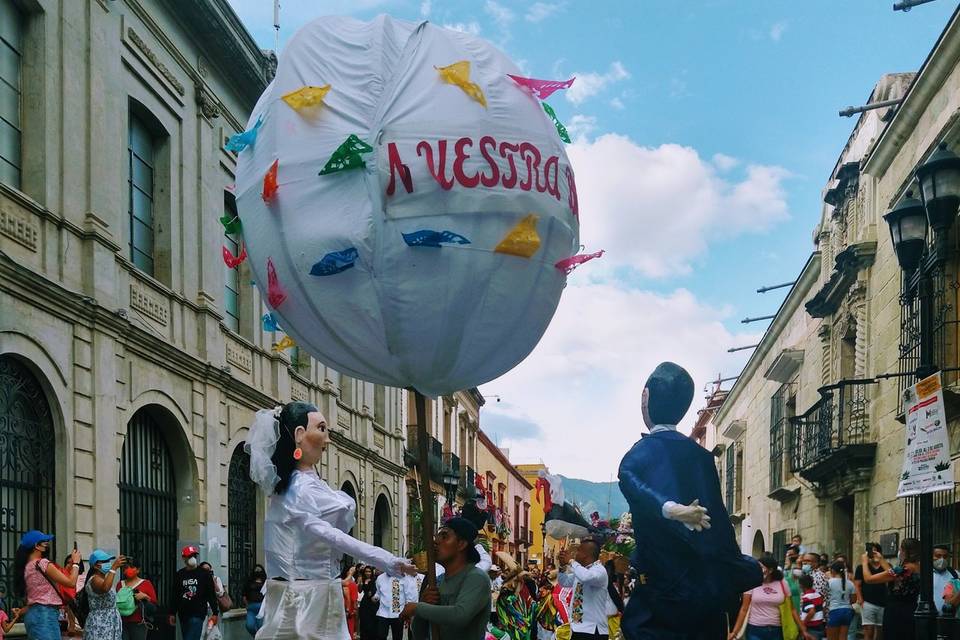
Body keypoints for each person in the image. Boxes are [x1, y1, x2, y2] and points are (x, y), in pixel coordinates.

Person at [244, 403, 415, 639]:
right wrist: (389, 561)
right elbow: (335, 536)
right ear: (299, 435)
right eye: (322, 429)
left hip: (307, 595)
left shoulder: (292, 487)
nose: (328, 439)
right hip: (307, 600)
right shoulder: (298, 491)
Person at [619, 363, 762, 640]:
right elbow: (718, 525)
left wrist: (669, 509)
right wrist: (741, 567)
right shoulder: (703, 458)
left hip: (658, 604)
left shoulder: (640, 453)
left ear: (645, 398)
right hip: (701, 603)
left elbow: (631, 481)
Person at [403, 518, 491, 640]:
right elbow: (419, 634)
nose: (436, 541)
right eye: (437, 536)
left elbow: (460, 615)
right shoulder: (437, 581)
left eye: (444, 536)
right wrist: (423, 604)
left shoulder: (476, 578)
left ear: (461, 544)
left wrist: (417, 607)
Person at [14, 530, 81, 640]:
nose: (47, 544)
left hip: (33, 616)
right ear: (37, 546)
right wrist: (76, 563)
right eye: (45, 542)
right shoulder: (42, 563)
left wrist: (21, 611)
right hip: (46, 616)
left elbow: (36, 599)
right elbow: (71, 582)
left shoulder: (27, 567)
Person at [729, 555, 811, 640]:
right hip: (755, 629)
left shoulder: (782, 583)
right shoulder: (751, 583)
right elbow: (744, 609)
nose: (758, 570)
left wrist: (803, 630)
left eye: (761, 567)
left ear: (771, 570)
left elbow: (792, 609)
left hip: (776, 630)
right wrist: (734, 632)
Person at [553, 538, 617, 640]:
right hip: (578, 627)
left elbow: (586, 577)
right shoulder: (580, 571)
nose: (575, 553)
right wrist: (562, 566)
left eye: (579, 550)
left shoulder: (599, 570)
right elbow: (564, 582)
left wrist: (570, 561)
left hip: (593, 630)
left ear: (586, 554)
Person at [860, 537, 920, 639]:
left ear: (905, 551)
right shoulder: (917, 567)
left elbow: (869, 579)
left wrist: (864, 562)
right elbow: (894, 576)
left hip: (896, 611)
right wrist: (881, 559)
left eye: (901, 549)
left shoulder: (902, 569)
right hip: (911, 609)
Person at [167, 546, 219, 640]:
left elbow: (211, 594)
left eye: (194, 555)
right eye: (190, 556)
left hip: (198, 613)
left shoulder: (204, 574)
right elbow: (175, 594)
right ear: (184, 558)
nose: (193, 558)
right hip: (183, 614)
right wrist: (172, 613)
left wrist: (215, 613)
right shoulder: (180, 574)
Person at [82, 549, 124, 640]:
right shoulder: (94, 579)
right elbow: (105, 588)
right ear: (96, 565)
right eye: (105, 561)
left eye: (108, 561)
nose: (108, 563)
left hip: (110, 624)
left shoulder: (103, 579)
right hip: (100, 624)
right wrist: (113, 569)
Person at [117, 557, 157, 640]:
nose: (128, 570)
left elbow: (154, 603)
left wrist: (145, 596)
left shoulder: (146, 584)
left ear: (138, 570)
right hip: (122, 622)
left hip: (139, 622)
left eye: (131, 567)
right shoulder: (120, 584)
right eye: (126, 568)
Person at [854, 543, 885, 640]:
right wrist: (860, 599)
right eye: (871, 552)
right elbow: (857, 584)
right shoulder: (861, 567)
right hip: (867, 602)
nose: (873, 554)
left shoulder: (885, 566)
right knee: (869, 630)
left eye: (876, 551)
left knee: (880, 631)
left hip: (883, 602)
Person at [824, 560, 855, 640]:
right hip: (847, 611)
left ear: (832, 570)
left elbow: (825, 598)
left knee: (832, 638)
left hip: (834, 611)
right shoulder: (850, 583)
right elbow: (853, 600)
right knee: (843, 637)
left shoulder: (829, 582)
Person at [242, 564, 267, 637]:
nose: (258, 572)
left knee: (260, 627)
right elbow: (244, 594)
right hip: (251, 608)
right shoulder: (249, 582)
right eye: (256, 570)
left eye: (260, 571)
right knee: (249, 625)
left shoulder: (266, 582)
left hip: (262, 608)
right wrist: (247, 605)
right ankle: (256, 636)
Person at [932, 545, 958, 615]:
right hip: (928, 619)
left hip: (950, 619)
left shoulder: (955, 574)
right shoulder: (925, 574)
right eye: (938, 556)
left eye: (945, 557)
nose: (942, 559)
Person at [799, 574, 825, 640]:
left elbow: (812, 611)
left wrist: (803, 623)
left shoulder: (807, 597)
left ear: (801, 585)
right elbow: (823, 608)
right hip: (820, 626)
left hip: (811, 628)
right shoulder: (817, 595)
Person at [358, 566, 379, 640]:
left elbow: (371, 593)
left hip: (373, 604)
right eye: (366, 571)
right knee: (364, 622)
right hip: (364, 603)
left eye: (369, 571)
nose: (367, 573)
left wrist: (367, 585)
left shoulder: (374, 580)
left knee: (372, 623)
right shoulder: (362, 579)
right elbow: (360, 590)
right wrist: (360, 582)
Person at [341, 565, 359, 639]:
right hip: (349, 610)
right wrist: (354, 610)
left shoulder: (339, 582)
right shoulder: (352, 584)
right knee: (349, 629)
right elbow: (353, 599)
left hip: (341, 608)